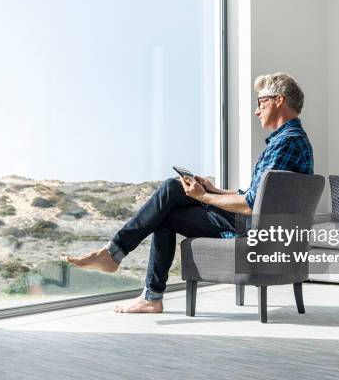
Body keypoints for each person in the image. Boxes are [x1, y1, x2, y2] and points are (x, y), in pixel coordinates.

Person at [64, 72, 314, 313]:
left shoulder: (286, 143)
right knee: (169, 201)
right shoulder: (292, 140)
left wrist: (202, 196)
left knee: (171, 193)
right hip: (262, 223)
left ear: (279, 100)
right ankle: (134, 279)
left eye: (261, 102)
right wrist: (214, 190)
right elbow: (259, 195)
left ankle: (122, 263)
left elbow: (252, 205)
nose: (256, 110)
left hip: (254, 228)